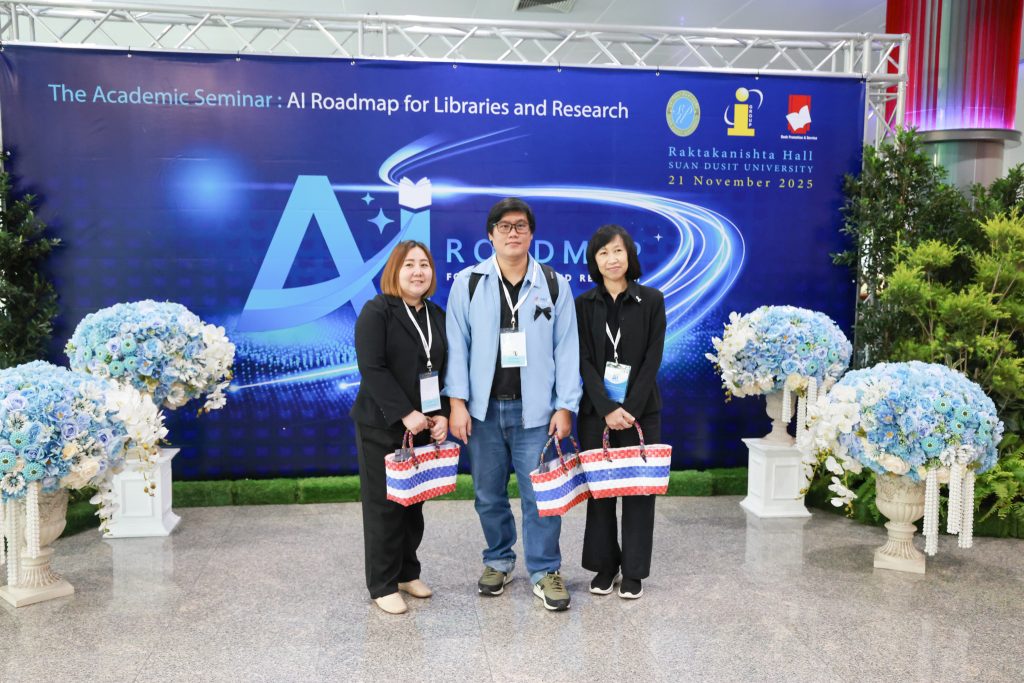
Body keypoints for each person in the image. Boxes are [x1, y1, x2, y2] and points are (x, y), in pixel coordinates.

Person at [444, 197, 582, 611]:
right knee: (488, 494)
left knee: (541, 497)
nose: (513, 233)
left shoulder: (553, 284)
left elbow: (567, 349)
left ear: (531, 233)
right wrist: (457, 403)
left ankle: (545, 570)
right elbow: (457, 346)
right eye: (504, 226)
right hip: (483, 412)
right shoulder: (468, 283)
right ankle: (498, 560)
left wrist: (565, 406)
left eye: (520, 225)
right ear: (490, 235)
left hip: (536, 412)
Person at [351, 240, 450, 615]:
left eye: (424, 264)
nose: (418, 271)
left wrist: (440, 413)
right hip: (382, 426)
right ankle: (382, 583)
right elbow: (372, 368)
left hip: (422, 425)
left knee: (413, 505)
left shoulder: (436, 315)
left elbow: (439, 371)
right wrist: (404, 412)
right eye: (409, 264)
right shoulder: (377, 311)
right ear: (395, 270)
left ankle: (408, 573)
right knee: (385, 507)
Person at [575, 224, 666, 600]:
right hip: (597, 414)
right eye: (603, 253)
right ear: (594, 261)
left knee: (639, 493)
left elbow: (652, 359)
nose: (611, 259)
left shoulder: (652, 299)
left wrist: (629, 408)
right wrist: (607, 408)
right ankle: (605, 565)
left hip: (641, 412)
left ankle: (634, 571)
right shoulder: (583, 304)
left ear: (629, 255)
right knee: (601, 492)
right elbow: (582, 360)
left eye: (618, 251)